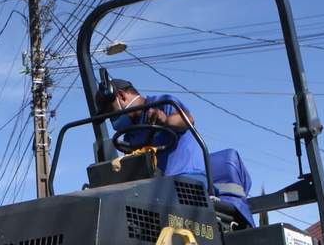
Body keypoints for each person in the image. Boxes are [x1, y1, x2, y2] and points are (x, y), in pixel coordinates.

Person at [97, 78, 254, 226]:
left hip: (188, 182)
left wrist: (165, 120)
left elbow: (187, 120)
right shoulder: (130, 133)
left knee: (153, 201)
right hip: (157, 189)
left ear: (121, 96)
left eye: (110, 111)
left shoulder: (162, 103)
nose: (112, 119)